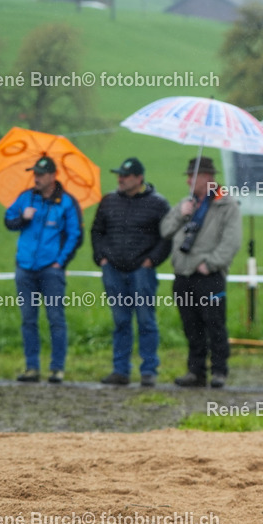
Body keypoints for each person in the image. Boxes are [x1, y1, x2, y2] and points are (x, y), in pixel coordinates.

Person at [161, 156, 242, 388]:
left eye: (191, 176)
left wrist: (211, 264)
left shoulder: (226, 204)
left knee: (215, 324)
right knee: (191, 325)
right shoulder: (187, 203)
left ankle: (219, 371)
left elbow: (231, 241)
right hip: (183, 275)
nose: (188, 181)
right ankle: (195, 371)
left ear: (207, 178)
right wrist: (180, 214)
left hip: (209, 277)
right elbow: (165, 230)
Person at [91, 157, 172, 387]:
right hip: (113, 269)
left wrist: (151, 261)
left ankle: (148, 370)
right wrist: (102, 258)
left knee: (146, 321)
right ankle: (120, 369)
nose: (120, 179)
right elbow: (97, 231)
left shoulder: (158, 204)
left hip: (141, 271)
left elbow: (166, 236)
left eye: (125, 176)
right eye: (119, 175)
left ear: (139, 179)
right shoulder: (108, 201)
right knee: (120, 321)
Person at [4, 155, 84, 383]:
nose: (36, 178)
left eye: (40, 174)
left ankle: (57, 368)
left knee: (55, 319)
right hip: (25, 268)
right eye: (34, 174)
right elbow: (9, 220)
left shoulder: (67, 203)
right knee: (28, 319)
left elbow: (75, 235)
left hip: (51, 270)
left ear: (52, 176)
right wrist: (23, 218)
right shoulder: (26, 198)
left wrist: (60, 262)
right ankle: (32, 367)